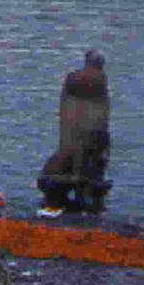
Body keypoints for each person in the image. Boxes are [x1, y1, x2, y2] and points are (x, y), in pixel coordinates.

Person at [38, 49, 112, 212]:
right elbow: (103, 109)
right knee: (94, 161)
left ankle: (70, 196)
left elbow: (64, 104)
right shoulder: (100, 79)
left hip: (73, 133)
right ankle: (87, 199)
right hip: (90, 134)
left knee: (77, 157)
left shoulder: (72, 78)